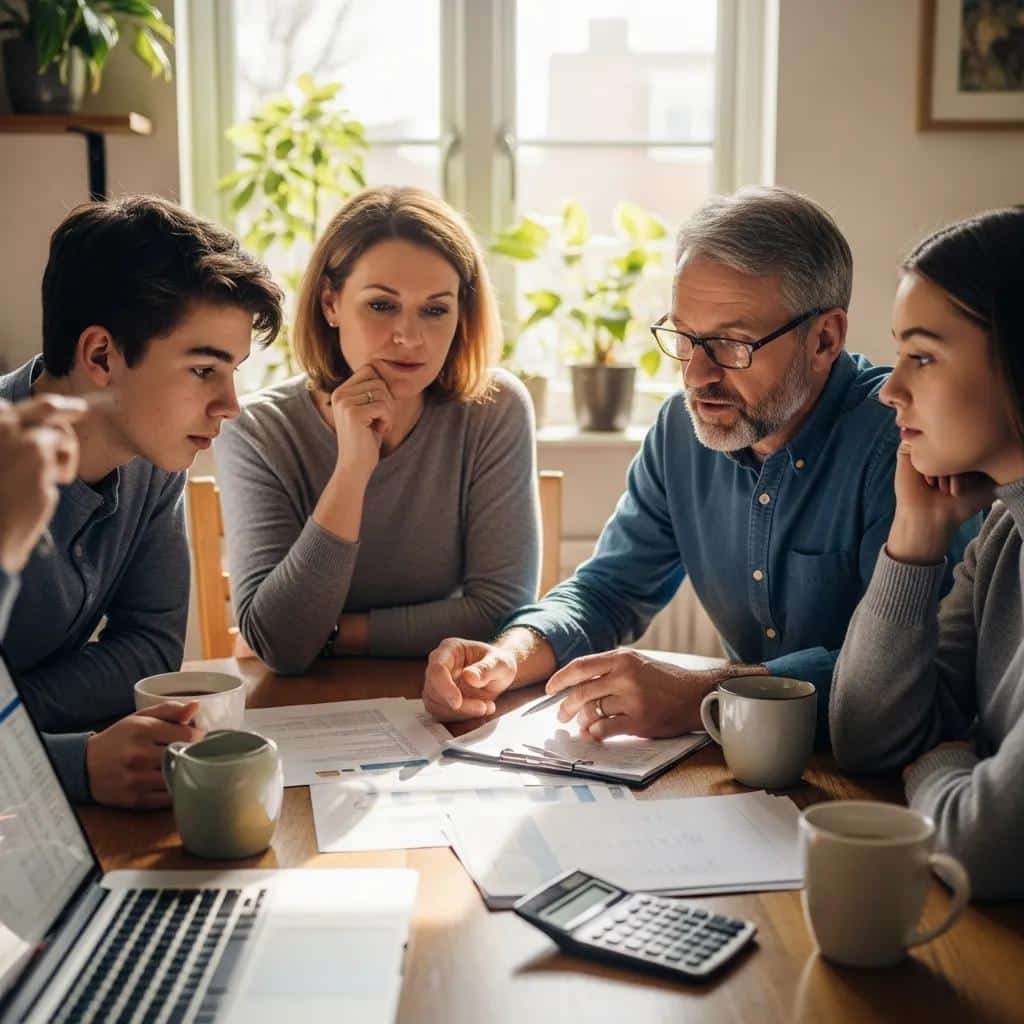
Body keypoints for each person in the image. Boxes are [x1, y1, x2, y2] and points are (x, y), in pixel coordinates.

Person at [423, 186, 975, 739]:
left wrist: (705, 694)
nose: (695, 376)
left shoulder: (903, 443)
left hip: (879, 777)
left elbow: (912, 674)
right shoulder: (679, 432)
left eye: (733, 345)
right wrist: (512, 654)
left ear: (824, 340)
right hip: (746, 765)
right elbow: (608, 590)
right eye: (684, 338)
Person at [0, 194, 283, 807]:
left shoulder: (153, 461)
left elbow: (152, 644)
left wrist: (12, 708)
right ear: (101, 356)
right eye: (204, 370)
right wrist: (73, 762)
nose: (230, 405)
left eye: (233, 370)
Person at [215, 185, 540, 674]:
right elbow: (280, 645)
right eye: (382, 306)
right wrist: (352, 469)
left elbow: (501, 613)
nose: (409, 337)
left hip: (446, 699)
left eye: (435, 310)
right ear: (330, 303)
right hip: (297, 715)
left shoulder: (494, 409)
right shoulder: (259, 431)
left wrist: (333, 633)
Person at [831, 208, 1024, 900]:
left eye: (923, 355)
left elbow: (979, 846)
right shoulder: (1006, 532)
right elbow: (867, 737)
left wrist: (939, 765)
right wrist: (916, 537)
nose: (891, 388)